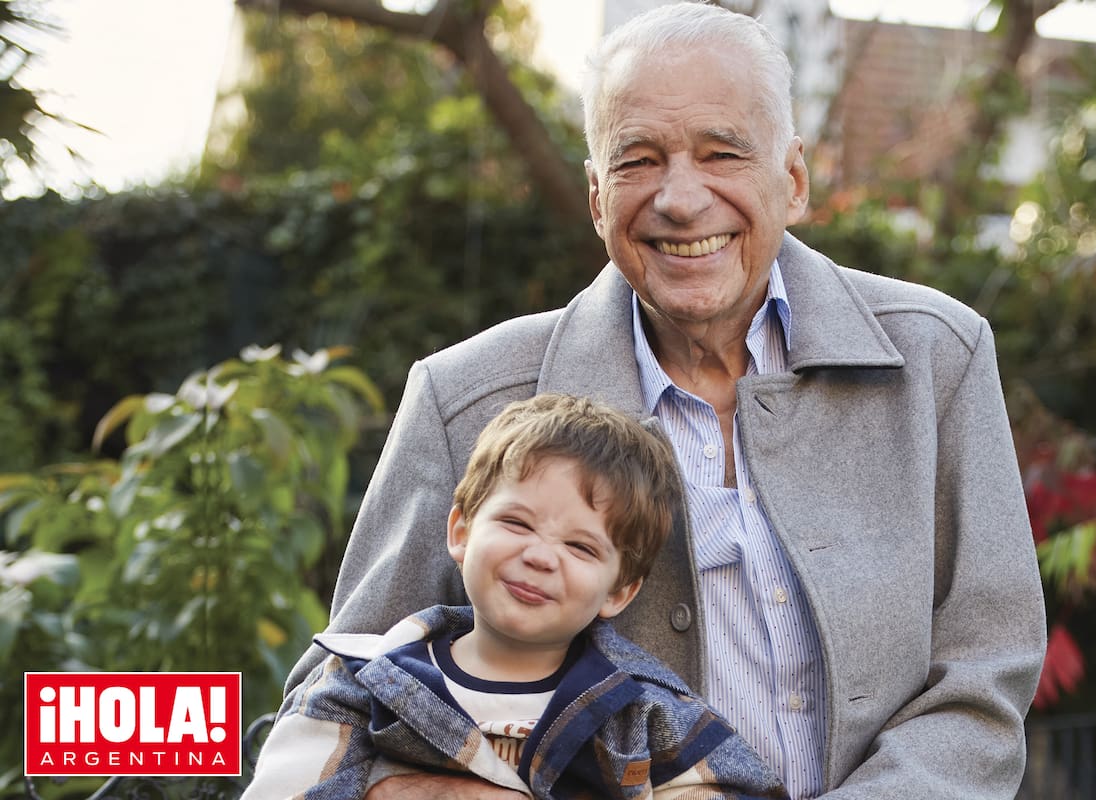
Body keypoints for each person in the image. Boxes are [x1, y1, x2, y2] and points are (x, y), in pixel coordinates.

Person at [272, 3, 1047, 798]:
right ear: (598, 196)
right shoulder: (465, 398)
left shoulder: (936, 356)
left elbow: (983, 676)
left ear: (794, 178)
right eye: (638, 160)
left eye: (722, 152)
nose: (680, 199)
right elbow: (337, 699)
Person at [243, 394, 787, 799]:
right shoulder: (363, 684)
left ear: (619, 591)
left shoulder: (643, 714)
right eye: (516, 523)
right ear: (461, 530)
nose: (541, 556)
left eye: (579, 546)